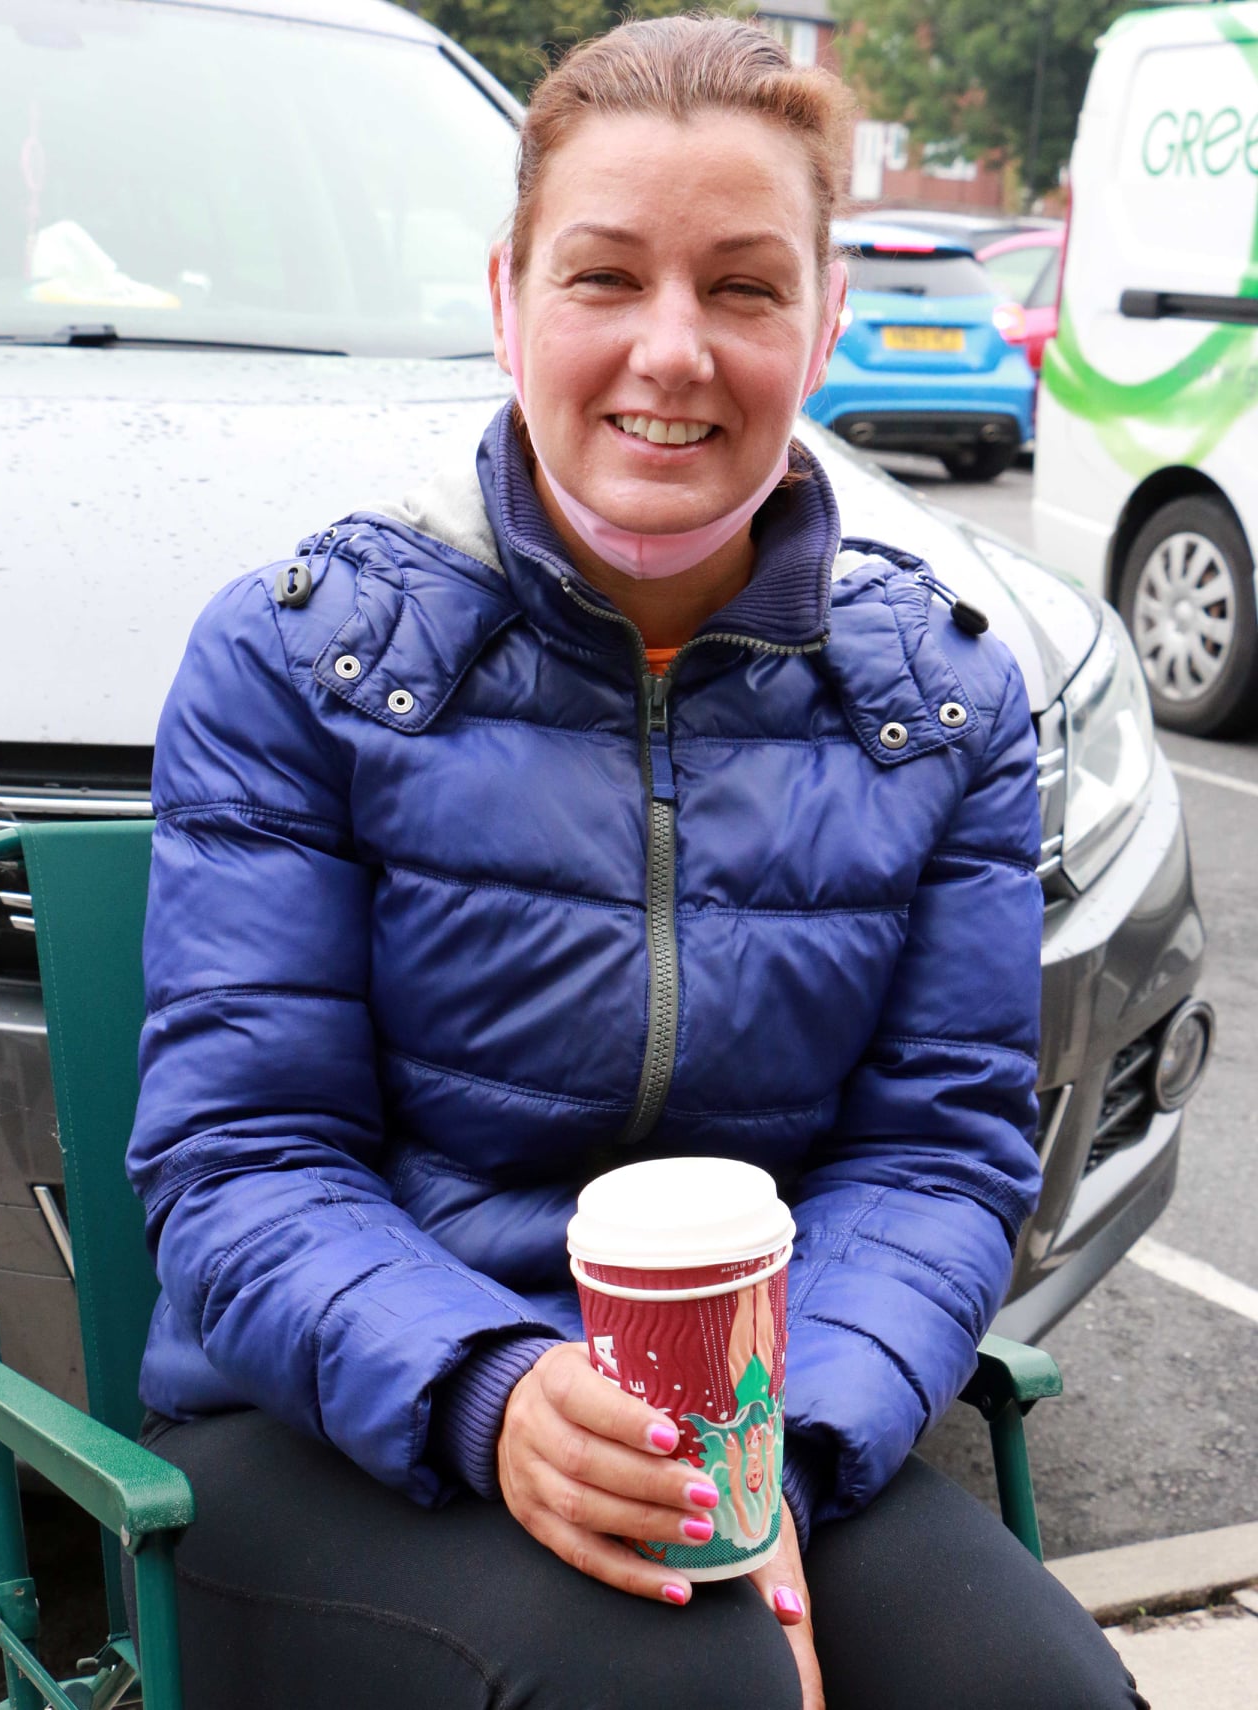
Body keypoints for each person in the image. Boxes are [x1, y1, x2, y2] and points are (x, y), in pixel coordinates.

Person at [125, 17, 1147, 1709]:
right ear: (511, 296)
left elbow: (941, 1157)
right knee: (684, 1692)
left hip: (768, 1405)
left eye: (744, 288)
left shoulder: (936, 702)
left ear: (822, 319)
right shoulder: (301, 663)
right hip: (332, 1425)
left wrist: (785, 1445)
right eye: (607, 276)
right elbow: (242, 1160)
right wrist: (495, 1390)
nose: (673, 350)